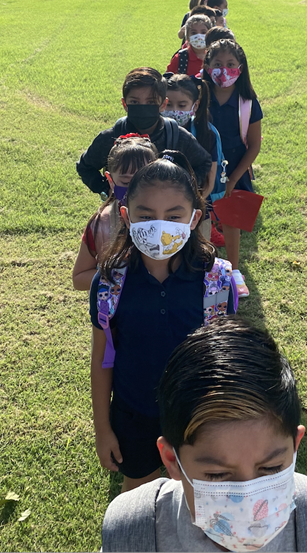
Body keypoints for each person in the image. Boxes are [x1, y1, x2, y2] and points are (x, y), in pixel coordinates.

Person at [101, 317, 307, 552]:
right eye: (217, 475)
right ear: (172, 461)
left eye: (271, 469)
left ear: (295, 447)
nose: (248, 501)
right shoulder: (132, 534)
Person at [90, 153, 237, 494]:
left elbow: (224, 360)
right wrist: (102, 428)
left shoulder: (217, 281)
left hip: (197, 420)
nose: (160, 226)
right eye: (147, 215)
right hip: (132, 417)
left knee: (196, 505)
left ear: (194, 218)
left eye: (173, 216)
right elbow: (102, 359)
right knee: (138, 504)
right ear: (126, 217)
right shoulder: (110, 281)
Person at [76, 67, 212, 197]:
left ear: (163, 104)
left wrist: (182, 190)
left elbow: (204, 163)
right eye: (135, 102)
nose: (143, 107)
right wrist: (105, 190)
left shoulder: (177, 137)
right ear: (125, 104)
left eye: (151, 101)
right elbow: (85, 167)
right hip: (120, 214)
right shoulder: (110, 137)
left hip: (162, 213)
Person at [202, 40, 262, 297]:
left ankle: (235, 271)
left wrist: (234, 179)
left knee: (230, 220)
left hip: (233, 171)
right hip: (203, 169)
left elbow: (255, 146)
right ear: (206, 66)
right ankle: (202, 268)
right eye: (217, 64)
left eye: (230, 64)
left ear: (240, 67)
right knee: (200, 218)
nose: (223, 71)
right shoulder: (199, 95)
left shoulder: (247, 101)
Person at [72, 135, 157, 291]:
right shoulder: (102, 224)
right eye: (126, 182)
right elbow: (79, 278)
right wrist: (120, 280)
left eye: (144, 180)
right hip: (118, 313)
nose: (135, 189)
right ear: (110, 181)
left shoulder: (173, 220)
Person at [163, 74, 226, 245]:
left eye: (182, 105)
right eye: (168, 104)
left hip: (197, 205)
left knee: (197, 250)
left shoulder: (208, 134)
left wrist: (187, 209)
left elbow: (209, 182)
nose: (174, 110)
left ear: (195, 105)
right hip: (159, 208)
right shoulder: (157, 131)